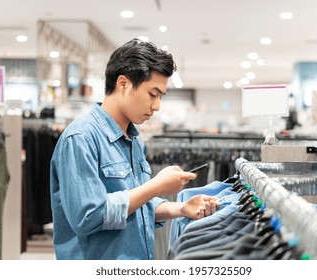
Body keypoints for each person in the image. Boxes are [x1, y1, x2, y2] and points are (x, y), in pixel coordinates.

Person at [50, 38, 219, 260]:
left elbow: (137, 206)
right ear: (123, 84)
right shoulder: (81, 137)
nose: (157, 106)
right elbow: (88, 217)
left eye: (160, 96)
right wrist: (156, 186)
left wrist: (179, 208)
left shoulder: (132, 139)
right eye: (152, 94)